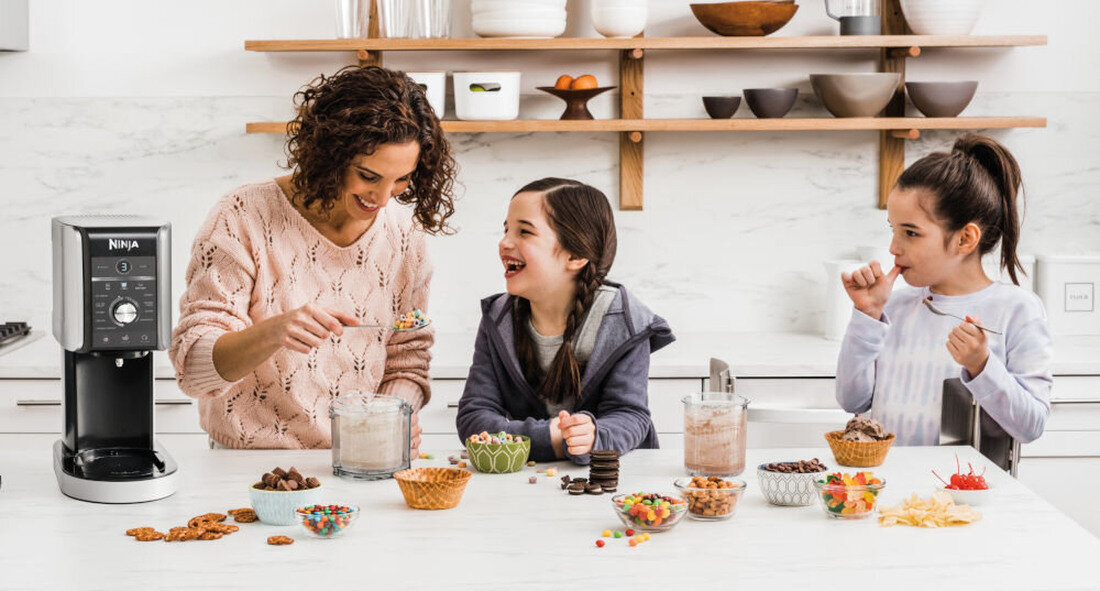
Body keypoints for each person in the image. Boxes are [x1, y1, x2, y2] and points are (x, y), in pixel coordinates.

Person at [169, 65, 456, 450]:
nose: (383, 198)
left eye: (402, 179)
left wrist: (389, 417)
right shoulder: (243, 216)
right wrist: (273, 332)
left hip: (359, 460)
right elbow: (193, 371)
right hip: (247, 465)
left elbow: (407, 360)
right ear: (331, 154)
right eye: (368, 176)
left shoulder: (405, 236)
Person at [836, 133, 1052, 445]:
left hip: (971, 480)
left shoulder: (1017, 310)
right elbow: (851, 401)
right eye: (894, 230)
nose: (894, 248)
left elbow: (1031, 426)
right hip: (894, 477)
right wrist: (866, 316)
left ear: (965, 239)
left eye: (911, 233)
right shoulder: (892, 308)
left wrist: (981, 365)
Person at [456, 178, 674, 464]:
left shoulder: (625, 321)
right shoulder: (497, 318)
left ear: (576, 255)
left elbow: (630, 417)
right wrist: (549, 439)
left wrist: (594, 436)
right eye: (506, 229)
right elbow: (474, 416)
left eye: (524, 231)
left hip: (615, 478)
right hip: (528, 481)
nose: (504, 242)